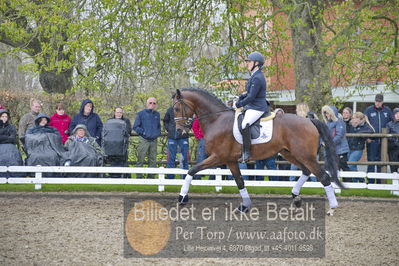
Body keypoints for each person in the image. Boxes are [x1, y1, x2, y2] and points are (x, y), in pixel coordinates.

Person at [233, 51, 268, 163]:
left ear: (256, 63)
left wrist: (239, 104)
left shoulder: (258, 77)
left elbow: (252, 97)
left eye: (249, 62)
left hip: (257, 107)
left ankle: (247, 153)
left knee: (244, 124)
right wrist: (240, 97)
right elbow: (248, 93)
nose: (247, 64)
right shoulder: (254, 76)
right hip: (252, 106)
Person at [364, 93, 392, 178]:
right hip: (372, 140)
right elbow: (365, 124)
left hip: (384, 141)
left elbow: (391, 124)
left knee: (381, 161)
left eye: (379, 101)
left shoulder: (387, 110)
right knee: (371, 161)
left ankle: (380, 181)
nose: (377, 103)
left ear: (382, 101)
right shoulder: (368, 110)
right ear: (374, 101)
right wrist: (367, 137)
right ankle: (371, 181)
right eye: (376, 101)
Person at [133, 97, 161, 178]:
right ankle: (139, 177)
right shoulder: (141, 114)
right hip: (144, 140)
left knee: (153, 159)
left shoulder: (157, 114)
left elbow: (158, 126)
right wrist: (144, 133)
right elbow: (135, 127)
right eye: (150, 102)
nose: (152, 104)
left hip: (154, 140)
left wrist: (157, 133)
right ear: (147, 103)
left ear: (156, 105)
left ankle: (151, 177)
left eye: (154, 103)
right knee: (140, 158)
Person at [321, 106, 351, 180]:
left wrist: (328, 143)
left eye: (327, 113)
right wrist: (322, 141)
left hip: (340, 150)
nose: (326, 115)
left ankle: (350, 183)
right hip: (330, 150)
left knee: (343, 167)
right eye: (325, 113)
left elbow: (339, 136)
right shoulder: (327, 123)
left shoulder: (340, 123)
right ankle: (331, 184)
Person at [290, 103, 317, 182]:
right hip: (306, 147)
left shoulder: (302, 120)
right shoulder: (312, 119)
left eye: (297, 109)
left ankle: (291, 183)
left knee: (296, 167)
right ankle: (314, 184)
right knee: (311, 167)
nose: (296, 110)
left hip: (303, 148)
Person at [103, 107, 132, 178]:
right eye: (117, 112)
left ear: (122, 113)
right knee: (110, 160)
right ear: (114, 113)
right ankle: (112, 175)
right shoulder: (109, 121)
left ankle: (122, 175)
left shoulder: (126, 121)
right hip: (110, 145)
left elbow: (128, 131)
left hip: (122, 145)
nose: (119, 114)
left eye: (120, 112)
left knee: (122, 160)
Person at [347, 112, 375, 181]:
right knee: (351, 165)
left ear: (360, 119)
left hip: (358, 149)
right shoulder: (351, 125)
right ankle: (355, 182)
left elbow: (371, 131)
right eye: (353, 118)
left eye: (355, 118)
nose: (353, 120)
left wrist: (359, 133)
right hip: (349, 148)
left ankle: (361, 179)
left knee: (351, 164)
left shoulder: (365, 126)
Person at [163, 106, 189, 179]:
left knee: (185, 159)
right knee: (171, 158)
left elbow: (190, 120)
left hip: (183, 138)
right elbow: (165, 121)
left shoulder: (186, 109)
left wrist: (185, 130)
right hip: (172, 138)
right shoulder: (170, 109)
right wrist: (170, 129)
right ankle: (170, 178)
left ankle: (185, 178)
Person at [0, 109, 23, 177]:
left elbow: (13, 139)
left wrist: (1, 138)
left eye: (6, 117)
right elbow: (9, 138)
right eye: (2, 116)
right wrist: (7, 137)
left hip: (10, 147)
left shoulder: (11, 126)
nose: (4, 118)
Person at [387, 108, 399, 173]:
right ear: (393, 114)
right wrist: (395, 140)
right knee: (393, 167)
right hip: (393, 148)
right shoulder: (389, 124)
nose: (398, 115)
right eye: (396, 114)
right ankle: (394, 182)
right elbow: (387, 135)